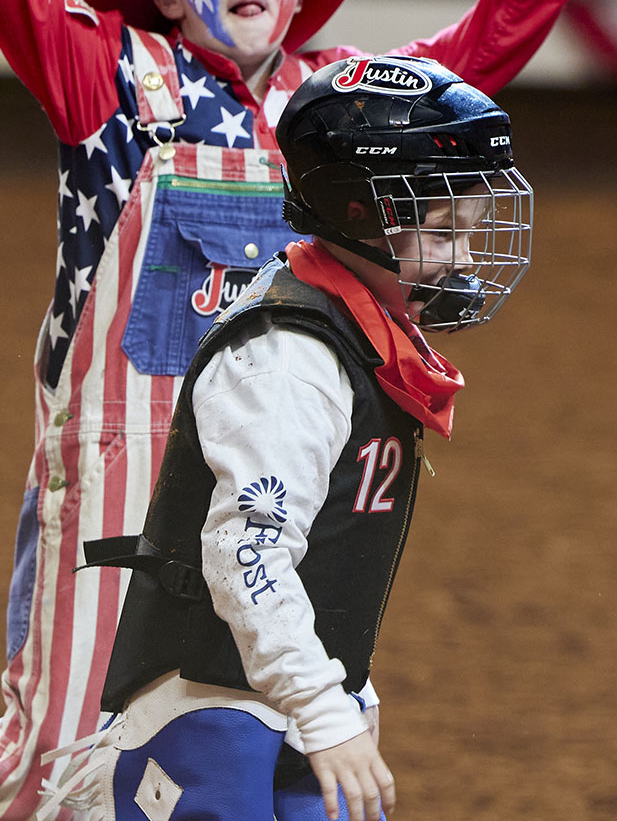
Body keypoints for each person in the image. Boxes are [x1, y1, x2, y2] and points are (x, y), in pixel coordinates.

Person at [0, 0, 616, 821]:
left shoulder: (338, 102)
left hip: (287, 466)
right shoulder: (114, 77)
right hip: (123, 466)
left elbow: (476, 62)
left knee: (230, 735)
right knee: (55, 748)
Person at [60, 55, 532, 821]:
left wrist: (340, 696)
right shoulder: (289, 362)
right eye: (445, 233)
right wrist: (323, 708)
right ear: (358, 213)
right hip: (213, 722)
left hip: (278, 706)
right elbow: (246, 556)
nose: (467, 261)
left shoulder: (355, 333)